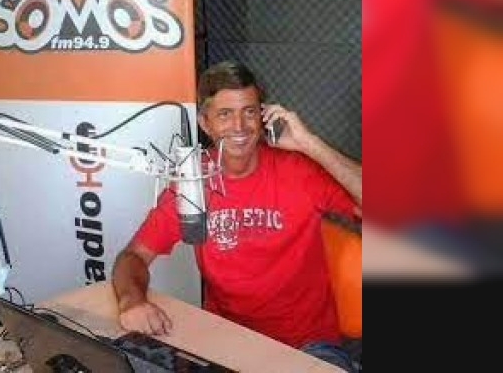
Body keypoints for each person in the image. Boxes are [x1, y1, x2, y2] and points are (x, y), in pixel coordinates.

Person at [112, 60, 362, 372]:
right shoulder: (192, 182)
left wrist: (309, 143)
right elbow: (133, 257)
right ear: (205, 123)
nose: (240, 126)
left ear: (263, 115)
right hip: (227, 341)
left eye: (249, 112)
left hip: (307, 346)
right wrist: (132, 301)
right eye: (225, 114)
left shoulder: (298, 171)